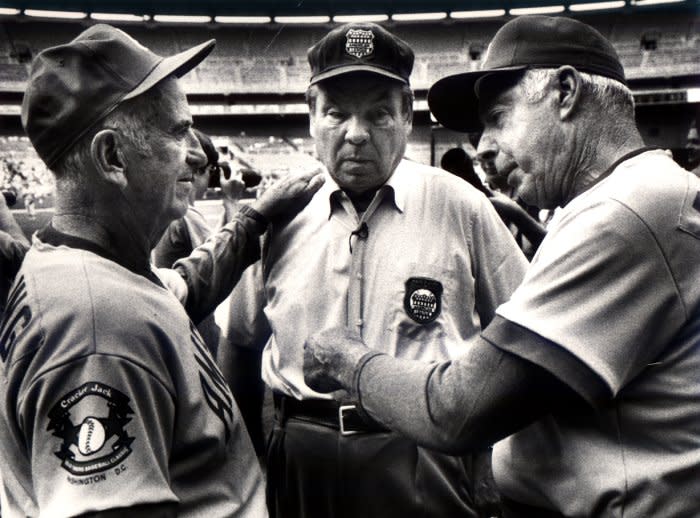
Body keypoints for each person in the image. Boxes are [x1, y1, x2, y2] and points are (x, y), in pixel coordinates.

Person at [303, 15, 700, 517]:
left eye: (498, 116)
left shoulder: (627, 209)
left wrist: (345, 357)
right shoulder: (634, 195)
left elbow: (457, 409)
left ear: (565, 91)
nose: (482, 146)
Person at [185, 22, 528, 518]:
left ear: (408, 115)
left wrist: (496, 455)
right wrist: (253, 459)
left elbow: (518, 336)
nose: (356, 134)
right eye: (337, 113)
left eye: (378, 114)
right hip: (301, 454)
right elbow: (240, 342)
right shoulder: (279, 213)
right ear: (311, 116)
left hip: (424, 456)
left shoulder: (461, 205)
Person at [0, 24, 322, 517]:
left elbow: (183, 289)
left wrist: (254, 220)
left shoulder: (90, 268)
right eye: (177, 131)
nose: (197, 154)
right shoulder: (98, 324)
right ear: (112, 157)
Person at [152, 128, 240, 355]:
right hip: (195, 328)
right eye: (211, 170)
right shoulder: (186, 215)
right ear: (198, 170)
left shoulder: (166, 210)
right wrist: (231, 200)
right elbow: (229, 254)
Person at [441, 147, 546, 258]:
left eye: (492, 155)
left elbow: (549, 245)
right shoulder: (482, 194)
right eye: (482, 159)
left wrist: (514, 213)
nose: (488, 164)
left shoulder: (532, 193)